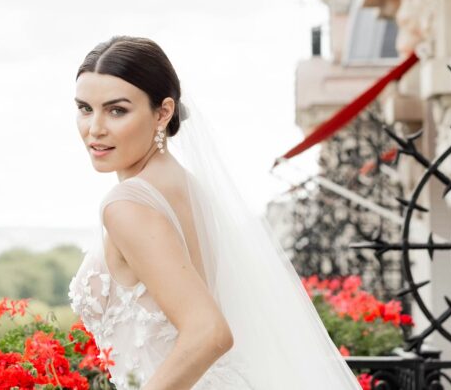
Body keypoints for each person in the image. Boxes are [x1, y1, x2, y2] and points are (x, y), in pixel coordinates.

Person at [67, 36, 361, 389]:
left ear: (163, 112)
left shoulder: (126, 204)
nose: (95, 128)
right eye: (85, 108)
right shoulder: (185, 186)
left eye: (117, 110)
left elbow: (209, 333)